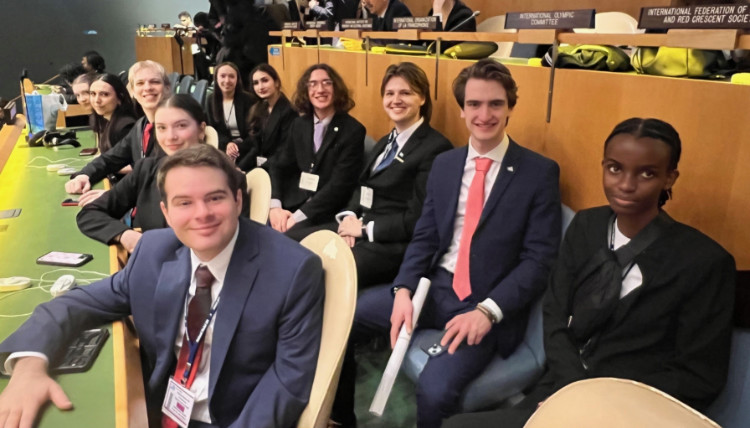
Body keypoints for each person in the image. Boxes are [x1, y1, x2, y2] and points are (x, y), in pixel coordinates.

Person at [0, 143, 325, 427]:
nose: (202, 214)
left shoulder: (293, 270)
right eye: (185, 203)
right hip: (161, 408)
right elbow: (74, 303)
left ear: (238, 201)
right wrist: (28, 366)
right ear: (166, 213)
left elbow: (287, 382)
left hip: (231, 418)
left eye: (215, 198)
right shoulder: (155, 251)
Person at [443, 118, 736, 428]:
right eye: (614, 169)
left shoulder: (704, 263)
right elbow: (555, 313)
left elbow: (699, 378)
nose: (625, 184)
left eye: (647, 173)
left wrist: (594, 398)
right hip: (563, 384)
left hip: (630, 408)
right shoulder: (585, 226)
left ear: (669, 178)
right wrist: (572, 388)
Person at [331, 59, 562, 427]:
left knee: (435, 390)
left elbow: (539, 260)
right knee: (343, 320)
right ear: (461, 109)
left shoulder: (538, 172)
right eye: (474, 104)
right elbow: (425, 235)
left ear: (511, 108)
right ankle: (341, 418)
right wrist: (404, 289)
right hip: (433, 288)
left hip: (483, 303)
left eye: (495, 104)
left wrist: (488, 311)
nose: (484, 114)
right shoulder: (447, 164)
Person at [301, 62, 453, 288]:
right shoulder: (386, 141)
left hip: (391, 244)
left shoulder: (435, 148)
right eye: (390, 94)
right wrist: (348, 219)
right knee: (293, 245)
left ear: (422, 98)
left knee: (322, 270)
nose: (396, 100)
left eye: (405, 93)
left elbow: (417, 219)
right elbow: (361, 187)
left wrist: (363, 230)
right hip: (358, 226)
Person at [77, 94, 249, 252]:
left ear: (201, 129)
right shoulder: (147, 169)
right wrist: (126, 236)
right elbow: (89, 214)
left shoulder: (227, 177)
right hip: (151, 266)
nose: (170, 137)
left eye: (181, 126)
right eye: (161, 128)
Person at [269, 63, 365, 241]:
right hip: (295, 201)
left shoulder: (353, 130)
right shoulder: (299, 124)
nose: (320, 89)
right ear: (306, 91)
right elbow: (278, 165)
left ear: (336, 88)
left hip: (326, 211)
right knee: (261, 226)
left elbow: (339, 186)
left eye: (327, 83)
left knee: (284, 238)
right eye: (313, 84)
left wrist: (297, 217)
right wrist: (275, 206)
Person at [65, 60, 169, 198]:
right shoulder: (141, 126)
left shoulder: (174, 128)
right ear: (132, 91)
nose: (147, 88)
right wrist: (84, 175)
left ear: (167, 87)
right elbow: (110, 158)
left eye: (155, 82)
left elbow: (162, 180)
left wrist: (113, 195)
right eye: (140, 83)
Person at [237, 63, 297, 172]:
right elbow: (256, 146)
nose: (260, 87)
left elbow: (283, 152)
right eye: (256, 83)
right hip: (263, 165)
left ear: (277, 82)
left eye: (265, 80)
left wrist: (257, 170)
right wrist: (239, 168)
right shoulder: (260, 108)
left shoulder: (289, 111)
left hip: (279, 170)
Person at [205, 62, 255, 162]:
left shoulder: (249, 100)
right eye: (222, 76)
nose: (227, 81)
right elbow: (213, 129)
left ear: (237, 79)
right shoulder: (211, 100)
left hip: (246, 147)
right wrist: (227, 144)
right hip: (222, 146)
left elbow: (254, 132)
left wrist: (237, 146)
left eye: (231, 76)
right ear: (216, 78)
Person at [89, 73, 138, 159]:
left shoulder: (125, 127)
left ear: (120, 98)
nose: (97, 100)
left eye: (104, 94)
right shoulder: (102, 120)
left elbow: (135, 164)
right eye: (93, 94)